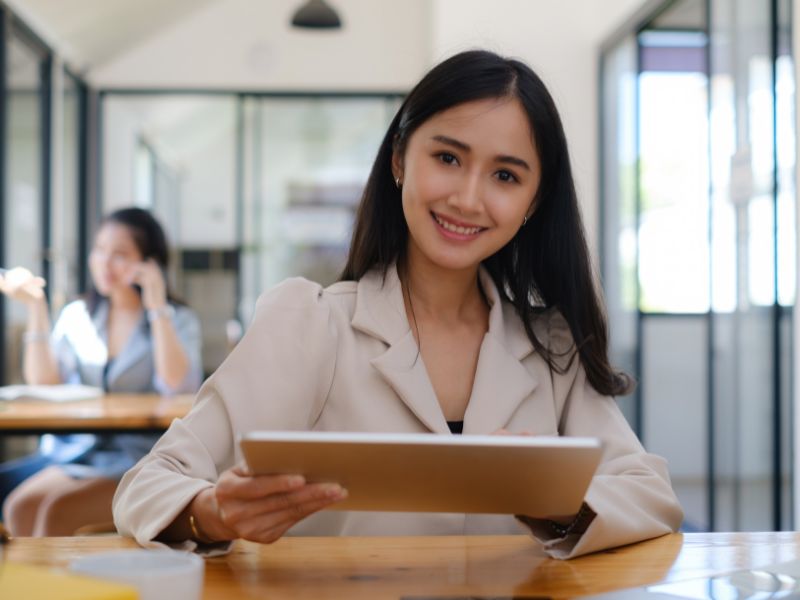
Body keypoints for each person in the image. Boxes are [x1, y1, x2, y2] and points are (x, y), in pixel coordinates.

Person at [112, 50, 683, 559]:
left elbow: (648, 494)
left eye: (505, 175)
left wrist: (556, 502)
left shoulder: (550, 343)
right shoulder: (310, 322)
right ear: (400, 160)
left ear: (533, 202)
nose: (468, 198)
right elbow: (149, 482)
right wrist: (211, 512)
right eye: (449, 158)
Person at [1, 207, 203, 536]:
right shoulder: (78, 314)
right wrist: (36, 306)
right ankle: (32, 588)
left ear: (149, 262)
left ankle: (62, 588)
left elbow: (178, 384)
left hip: (142, 457)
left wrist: (156, 304)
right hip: (80, 452)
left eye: (120, 254)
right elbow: (44, 382)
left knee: (56, 512)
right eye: (100, 250)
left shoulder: (176, 318)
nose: (104, 263)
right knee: (19, 507)